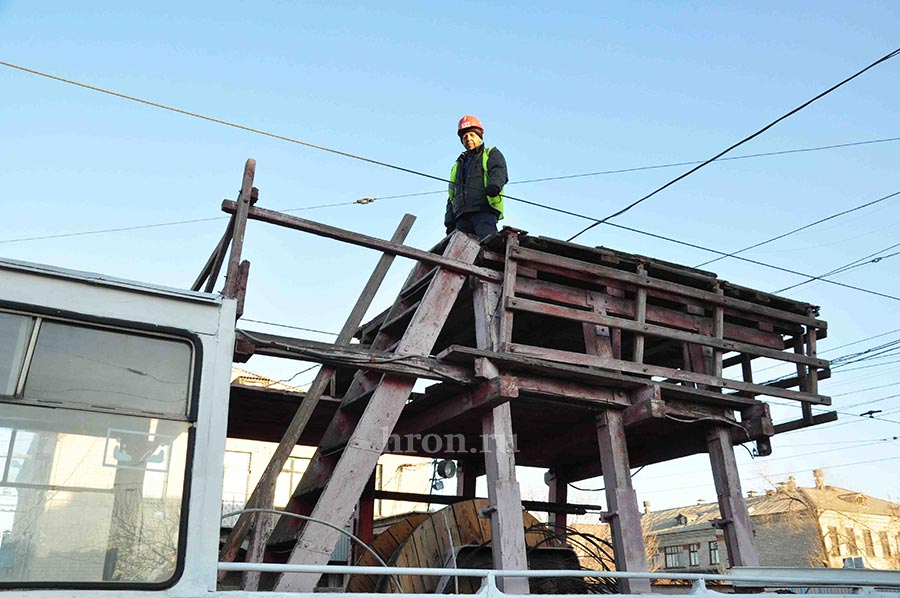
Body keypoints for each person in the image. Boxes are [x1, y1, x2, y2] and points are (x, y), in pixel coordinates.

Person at [445, 115, 508, 240]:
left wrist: (494, 185)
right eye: (464, 137)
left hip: (483, 210)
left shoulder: (490, 153)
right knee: (460, 252)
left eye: (472, 135)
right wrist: (449, 220)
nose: (468, 139)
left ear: (480, 137)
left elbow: (498, 170)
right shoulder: (457, 166)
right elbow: (452, 195)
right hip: (461, 217)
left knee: (487, 243)